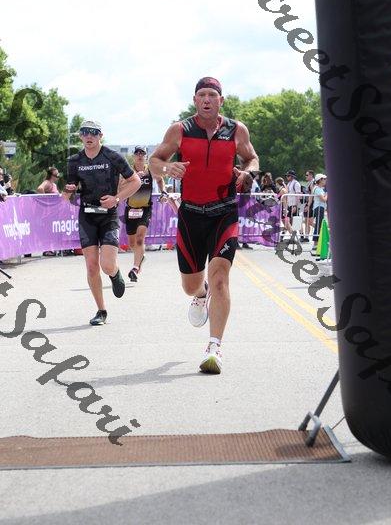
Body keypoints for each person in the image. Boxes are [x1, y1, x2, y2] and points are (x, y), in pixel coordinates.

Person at [149, 77, 259, 374]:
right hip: (191, 215)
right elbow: (154, 161)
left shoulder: (236, 130)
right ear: (195, 100)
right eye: (202, 95)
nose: (207, 99)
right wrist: (167, 167)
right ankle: (200, 294)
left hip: (224, 213)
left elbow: (252, 158)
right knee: (190, 286)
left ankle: (214, 347)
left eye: (212, 95)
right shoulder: (180, 130)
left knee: (221, 277)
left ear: (221, 100)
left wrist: (248, 173)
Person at [63, 120, 141, 326]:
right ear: (80, 136)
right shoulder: (74, 161)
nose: (89, 136)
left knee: (107, 265)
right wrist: (68, 192)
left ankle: (115, 274)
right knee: (91, 267)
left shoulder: (112, 156)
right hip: (87, 216)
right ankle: (101, 310)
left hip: (108, 216)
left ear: (100, 135)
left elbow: (136, 181)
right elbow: (68, 194)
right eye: (85, 132)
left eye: (94, 132)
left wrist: (117, 198)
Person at [122, 145, 168, 282]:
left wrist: (163, 192)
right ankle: (141, 256)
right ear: (134, 156)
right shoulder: (128, 171)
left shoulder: (150, 170)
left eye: (142, 153)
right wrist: (134, 178)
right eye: (137, 153)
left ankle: (135, 268)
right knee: (132, 244)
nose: (140, 155)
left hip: (145, 208)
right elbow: (120, 186)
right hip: (131, 209)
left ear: (146, 156)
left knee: (140, 239)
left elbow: (160, 180)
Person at [37, 167, 60, 256]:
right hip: (47, 212)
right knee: (48, 230)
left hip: (53, 212)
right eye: (56, 175)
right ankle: (47, 250)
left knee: (51, 230)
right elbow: (40, 188)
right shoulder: (47, 183)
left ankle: (51, 248)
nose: (58, 176)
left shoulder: (54, 185)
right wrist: (45, 201)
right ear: (52, 175)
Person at [311, 174, 328, 255]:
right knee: (318, 225)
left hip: (320, 208)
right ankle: (315, 243)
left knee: (319, 225)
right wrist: (327, 194)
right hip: (319, 208)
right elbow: (323, 199)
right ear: (320, 180)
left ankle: (316, 242)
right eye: (324, 179)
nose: (325, 180)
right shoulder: (317, 189)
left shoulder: (319, 188)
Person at [302, 169, 315, 242]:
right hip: (307, 203)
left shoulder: (312, 183)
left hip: (311, 203)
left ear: (311, 175)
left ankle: (320, 229)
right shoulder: (308, 183)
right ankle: (306, 237)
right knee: (306, 220)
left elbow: (312, 195)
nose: (305, 176)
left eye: (307, 175)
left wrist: (308, 205)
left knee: (309, 221)